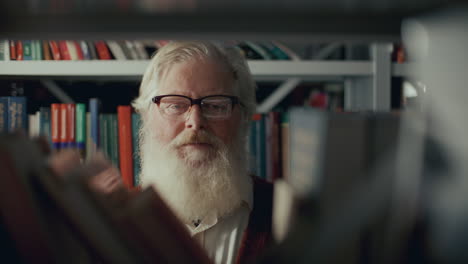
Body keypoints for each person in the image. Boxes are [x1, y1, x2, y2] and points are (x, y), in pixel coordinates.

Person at [131, 41, 273, 264]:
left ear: (243, 117)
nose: (195, 123)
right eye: (176, 105)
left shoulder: (285, 217)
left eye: (216, 106)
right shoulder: (116, 220)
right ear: (146, 116)